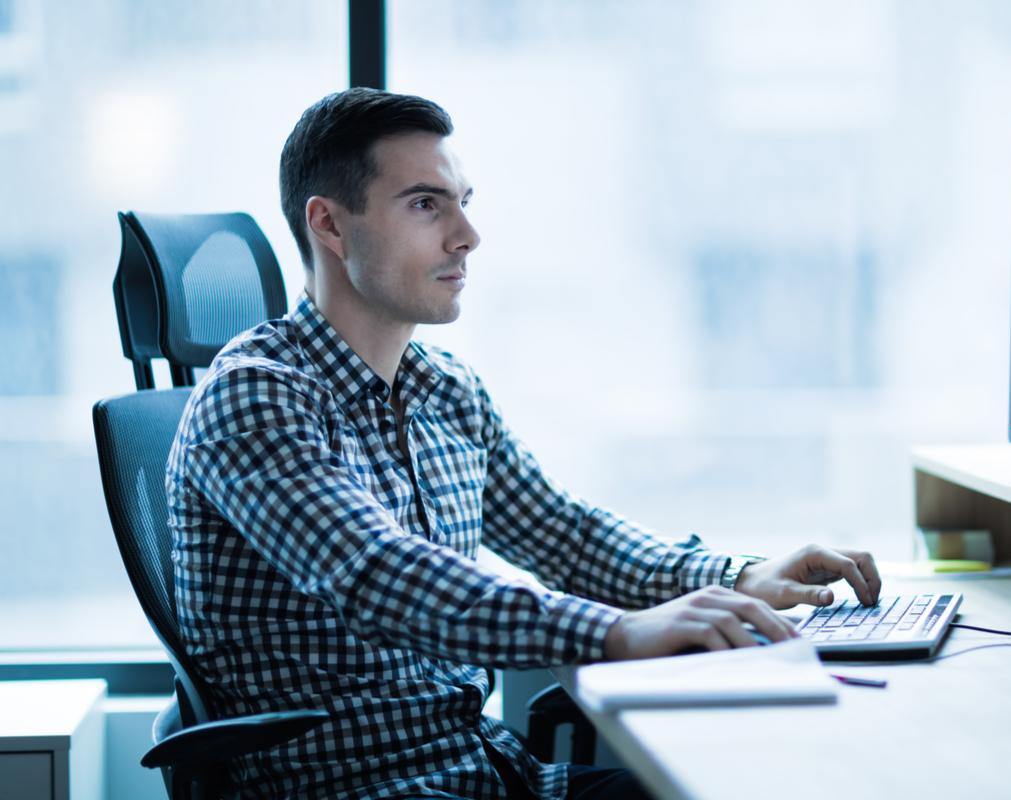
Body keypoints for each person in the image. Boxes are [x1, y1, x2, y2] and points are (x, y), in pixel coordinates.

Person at [165, 87, 882, 800]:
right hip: (360, 790)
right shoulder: (255, 395)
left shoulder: (445, 389)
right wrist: (617, 633)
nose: (466, 235)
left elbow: (564, 536)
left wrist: (736, 576)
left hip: (489, 773)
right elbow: (377, 574)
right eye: (425, 205)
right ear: (329, 224)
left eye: (463, 201)